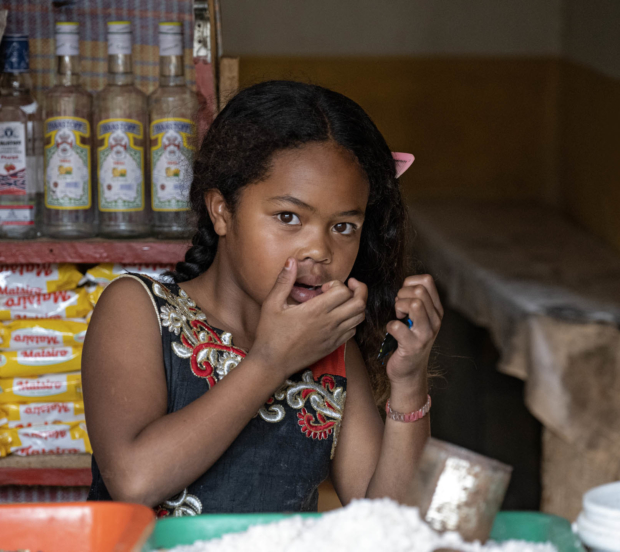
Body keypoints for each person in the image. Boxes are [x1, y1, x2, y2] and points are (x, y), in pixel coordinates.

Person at [83, 80, 443, 515]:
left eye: (343, 227)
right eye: (288, 217)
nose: (320, 250)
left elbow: (389, 524)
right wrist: (271, 360)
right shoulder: (137, 309)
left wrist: (409, 385)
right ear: (222, 211)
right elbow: (134, 481)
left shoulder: (331, 348)